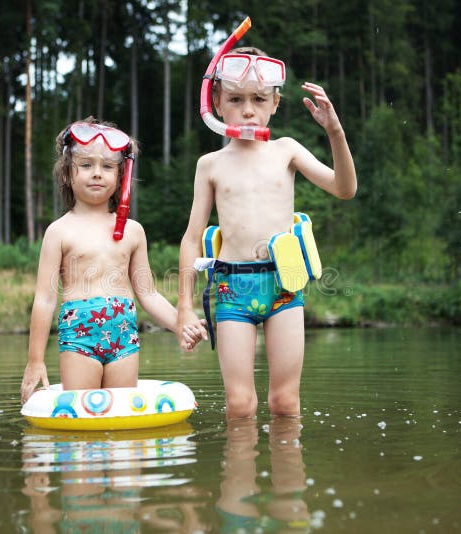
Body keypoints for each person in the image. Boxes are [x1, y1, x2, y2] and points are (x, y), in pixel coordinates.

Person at [177, 47, 357, 419]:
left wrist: (334, 131)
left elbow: (344, 188)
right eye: (236, 99)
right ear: (216, 102)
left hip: (283, 287)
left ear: (275, 102)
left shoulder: (285, 151)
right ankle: (240, 476)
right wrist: (184, 305)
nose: (247, 110)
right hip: (232, 290)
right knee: (240, 406)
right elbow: (192, 238)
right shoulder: (210, 165)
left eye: (258, 99)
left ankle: (290, 477)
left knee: (285, 403)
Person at [21, 118, 205, 404]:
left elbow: (148, 293)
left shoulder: (133, 231)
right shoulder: (58, 232)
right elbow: (44, 300)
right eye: (86, 165)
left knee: (119, 418)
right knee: (83, 417)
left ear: (121, 176)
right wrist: (35, 361)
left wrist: (180, 324)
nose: (97, 174)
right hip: (79, 338)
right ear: (68, 174)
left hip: (124, 337)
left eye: (107, 167)